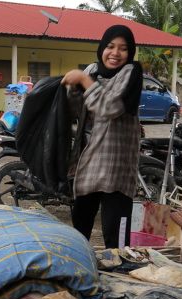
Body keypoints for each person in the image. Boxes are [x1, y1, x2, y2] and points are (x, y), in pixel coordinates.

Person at [60, 25, 143, 247]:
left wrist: (85, 81)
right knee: (80, 229)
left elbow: (110, 108)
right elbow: (78, 110)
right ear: (101, 48)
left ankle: (120, 274)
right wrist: (72, 89)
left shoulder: (131, 72)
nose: (115, 53)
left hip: (116, 169)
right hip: (89, 163)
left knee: (116, 239)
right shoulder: (92, 72)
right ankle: (79, 271)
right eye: (110, 46)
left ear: (130, 52)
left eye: (123, 49)